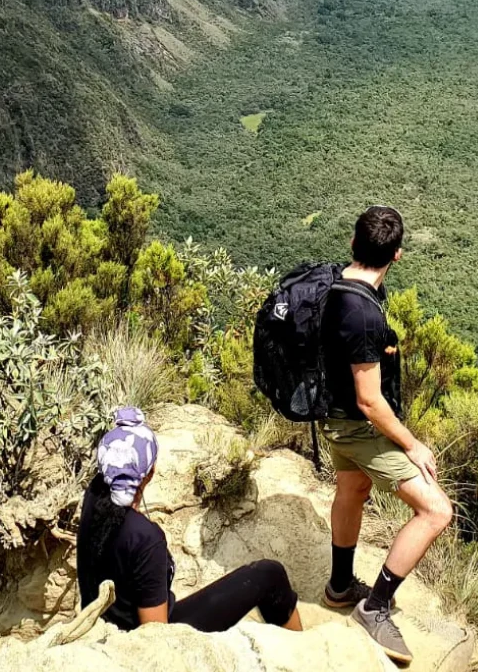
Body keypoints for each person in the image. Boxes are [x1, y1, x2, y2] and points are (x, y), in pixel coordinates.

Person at [320, 206, 454, 667]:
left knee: (352, 489)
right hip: (357, 427)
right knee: (436, 511)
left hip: (332, 420)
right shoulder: (363, 316)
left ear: (353, 245)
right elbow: (370, 401)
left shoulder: (336, 282)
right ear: (396, 255)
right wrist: (413, 445)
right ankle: (374, 607)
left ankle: (339, 587)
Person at [77, 407, 303, 634]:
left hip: (104, 625)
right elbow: (155, 635)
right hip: (142, 641)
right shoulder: (145, 538)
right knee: (268, 574)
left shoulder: (93, 496)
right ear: (150, 473)